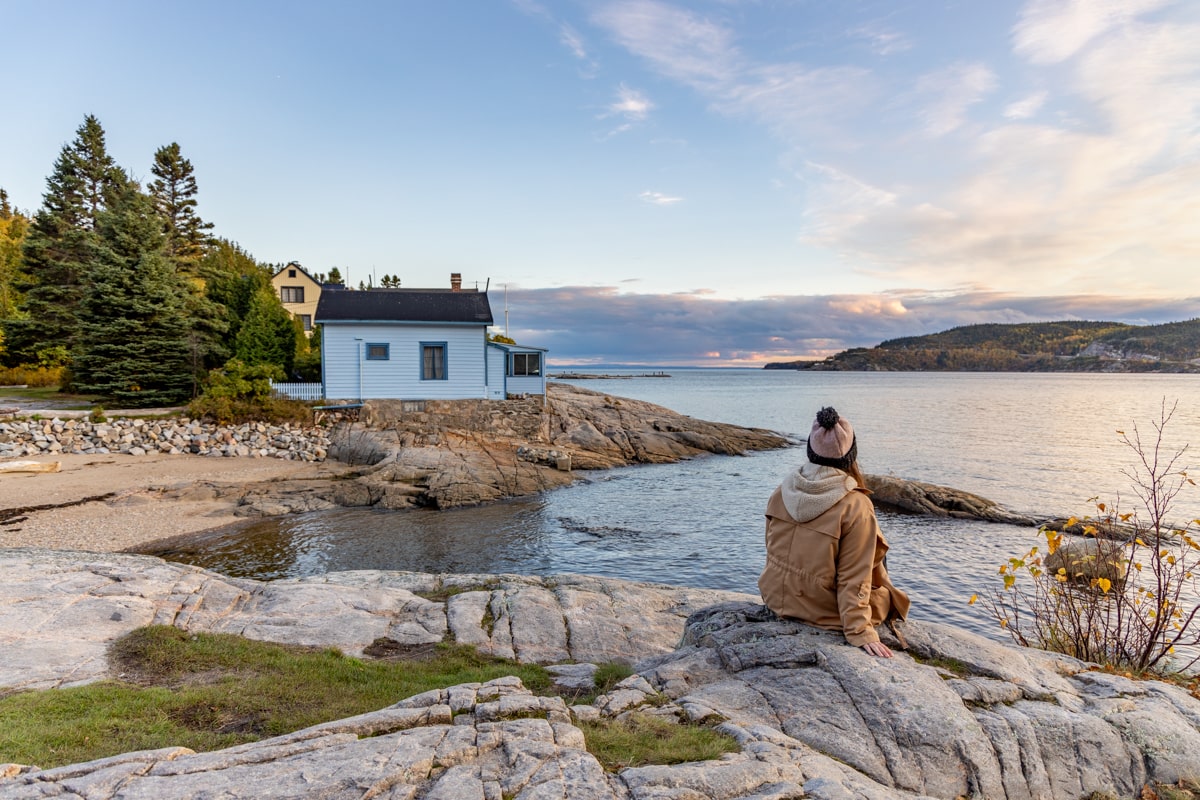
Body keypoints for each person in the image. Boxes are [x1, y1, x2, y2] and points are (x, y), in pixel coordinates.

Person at [758, 406, 909, 657]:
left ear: (810, 450)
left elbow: (772, 549)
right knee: (887, 594)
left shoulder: (783, 489)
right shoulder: (855, 504)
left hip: (776, 598)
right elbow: (853, 576)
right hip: (821, 611)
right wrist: (860, 631)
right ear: (851, 455)